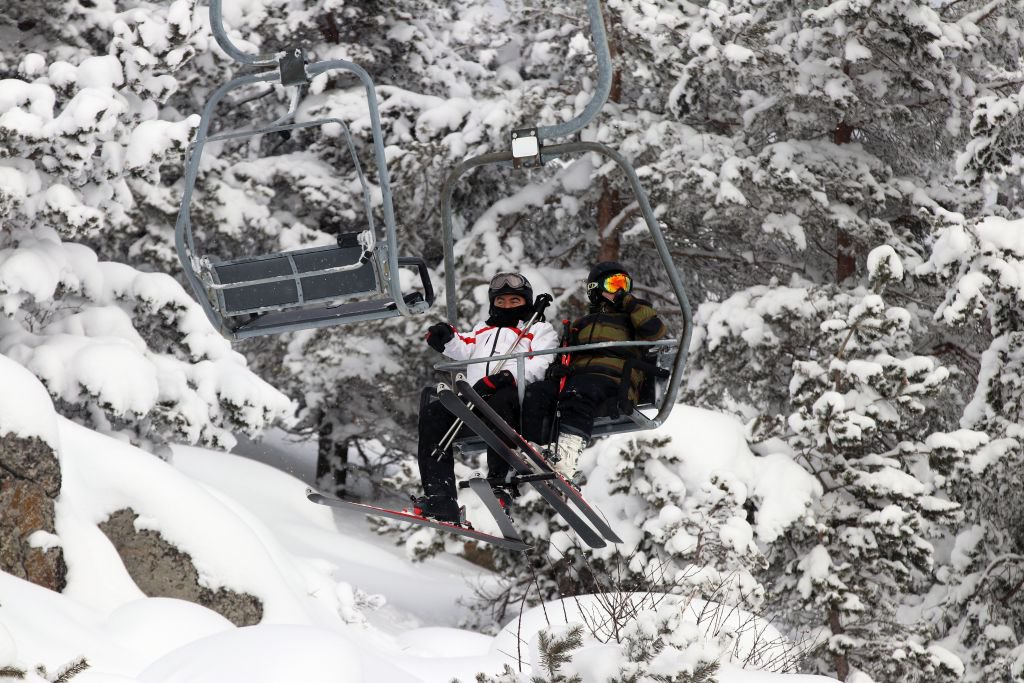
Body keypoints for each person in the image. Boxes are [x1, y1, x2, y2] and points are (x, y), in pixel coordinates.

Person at [415, 272, 558, 523]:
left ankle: (500, 481)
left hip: (512, 398)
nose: (507, 306)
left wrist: (505, 377)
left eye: (515, 301)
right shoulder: (483, 329)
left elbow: (542, 364)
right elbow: (465, 347)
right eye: (501, 301)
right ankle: (440, 498)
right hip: (475, 397)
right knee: (432, 414)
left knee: (500, 401)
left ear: (525, 301)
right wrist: (446, 338)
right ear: (493, 303)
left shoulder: (538, 329)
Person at [522, 261, 668, 479]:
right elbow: (564, 355)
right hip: (579, 381)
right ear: (596, 289)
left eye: (624, 284)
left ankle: (567, 456)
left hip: (616, 381)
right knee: (537, 392)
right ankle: (534, 450)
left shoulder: (634, 317)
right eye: (613, 284)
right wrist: (557, 370)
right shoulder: (581, 324)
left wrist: (628, 302)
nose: (620, 289)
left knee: (581, 389)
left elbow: (654, 330)